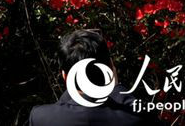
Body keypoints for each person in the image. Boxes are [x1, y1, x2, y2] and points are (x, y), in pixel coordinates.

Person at [29, 29, 157, 126]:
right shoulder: (138, 115)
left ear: (65, 76)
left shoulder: (40, 118)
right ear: (110, 68)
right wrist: (117, 89)